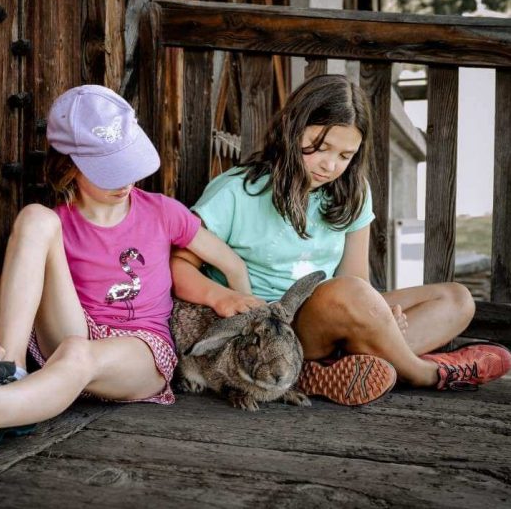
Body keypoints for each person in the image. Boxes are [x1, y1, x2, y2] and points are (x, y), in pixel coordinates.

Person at [170, 74, 511, 404]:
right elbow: (178, 264)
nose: (330, 165)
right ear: (292, 128)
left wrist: (382, 313)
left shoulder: (353, 194)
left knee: (456, 300)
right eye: (320, 147)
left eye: (345, 156)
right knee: (348, 294)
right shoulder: (237, 191)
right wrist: (223, 297)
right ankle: (423, 373)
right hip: (268, 334)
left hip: (330, 317)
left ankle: (334, 368)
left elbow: (358, 281)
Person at [0, 85, 260, 456]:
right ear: (69, 165)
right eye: (109, 170)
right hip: (72, 335)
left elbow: (230, 262)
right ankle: (11, 372)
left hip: (140, 353)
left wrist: (240, 306)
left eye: (128, 164)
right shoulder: (58, 224)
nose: (124, 181)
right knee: (35, 218)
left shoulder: (162, 211)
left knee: (78, 353)